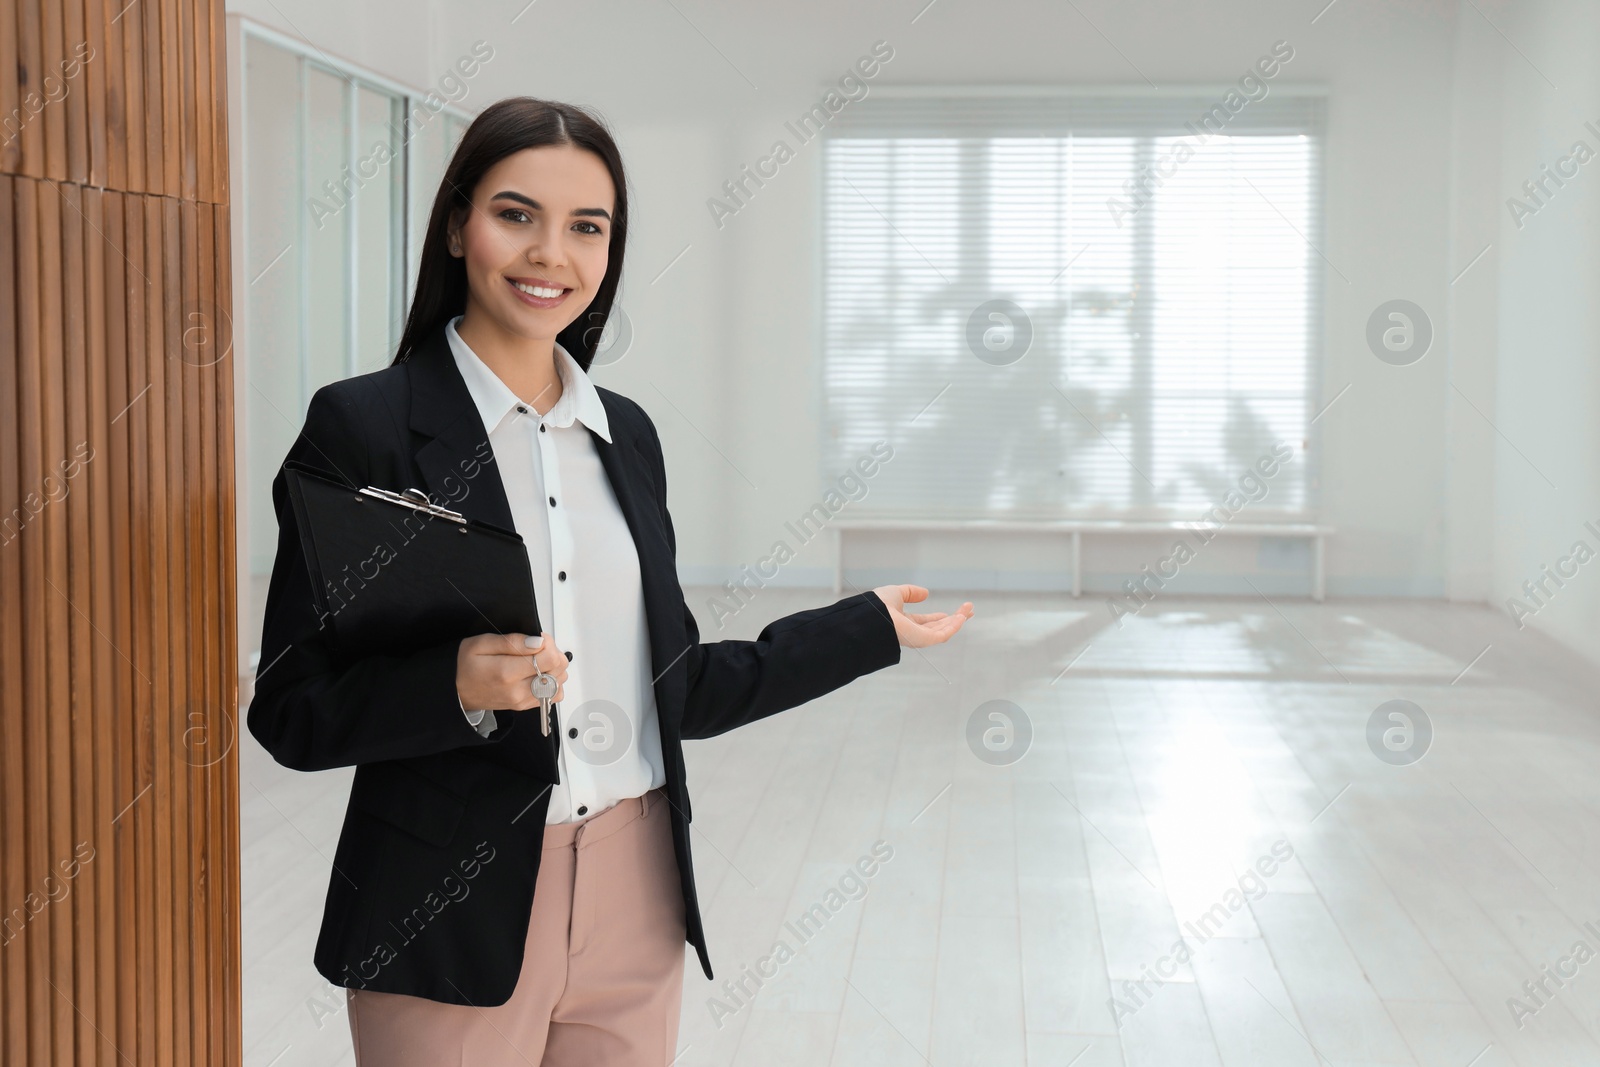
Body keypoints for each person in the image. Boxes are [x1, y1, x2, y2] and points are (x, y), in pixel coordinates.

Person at [247, 96, 973, 1067]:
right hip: (447, 911)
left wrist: (864, 626)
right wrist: (454, 686)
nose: (552, 252)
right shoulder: (363, 427)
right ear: (460, 222)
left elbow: (683, 686)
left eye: (587, 227)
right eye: (517, 214)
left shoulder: (624, 434)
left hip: (637, 892)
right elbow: (291, 709)